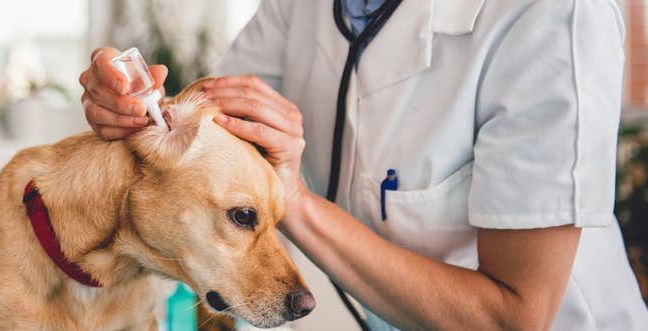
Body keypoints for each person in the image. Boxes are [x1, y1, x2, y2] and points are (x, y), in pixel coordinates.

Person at [79, 0, 648, 329]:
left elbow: (514, 316)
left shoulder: (551, 14)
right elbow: (211, 126)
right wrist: (136, 108)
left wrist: (295, 201)